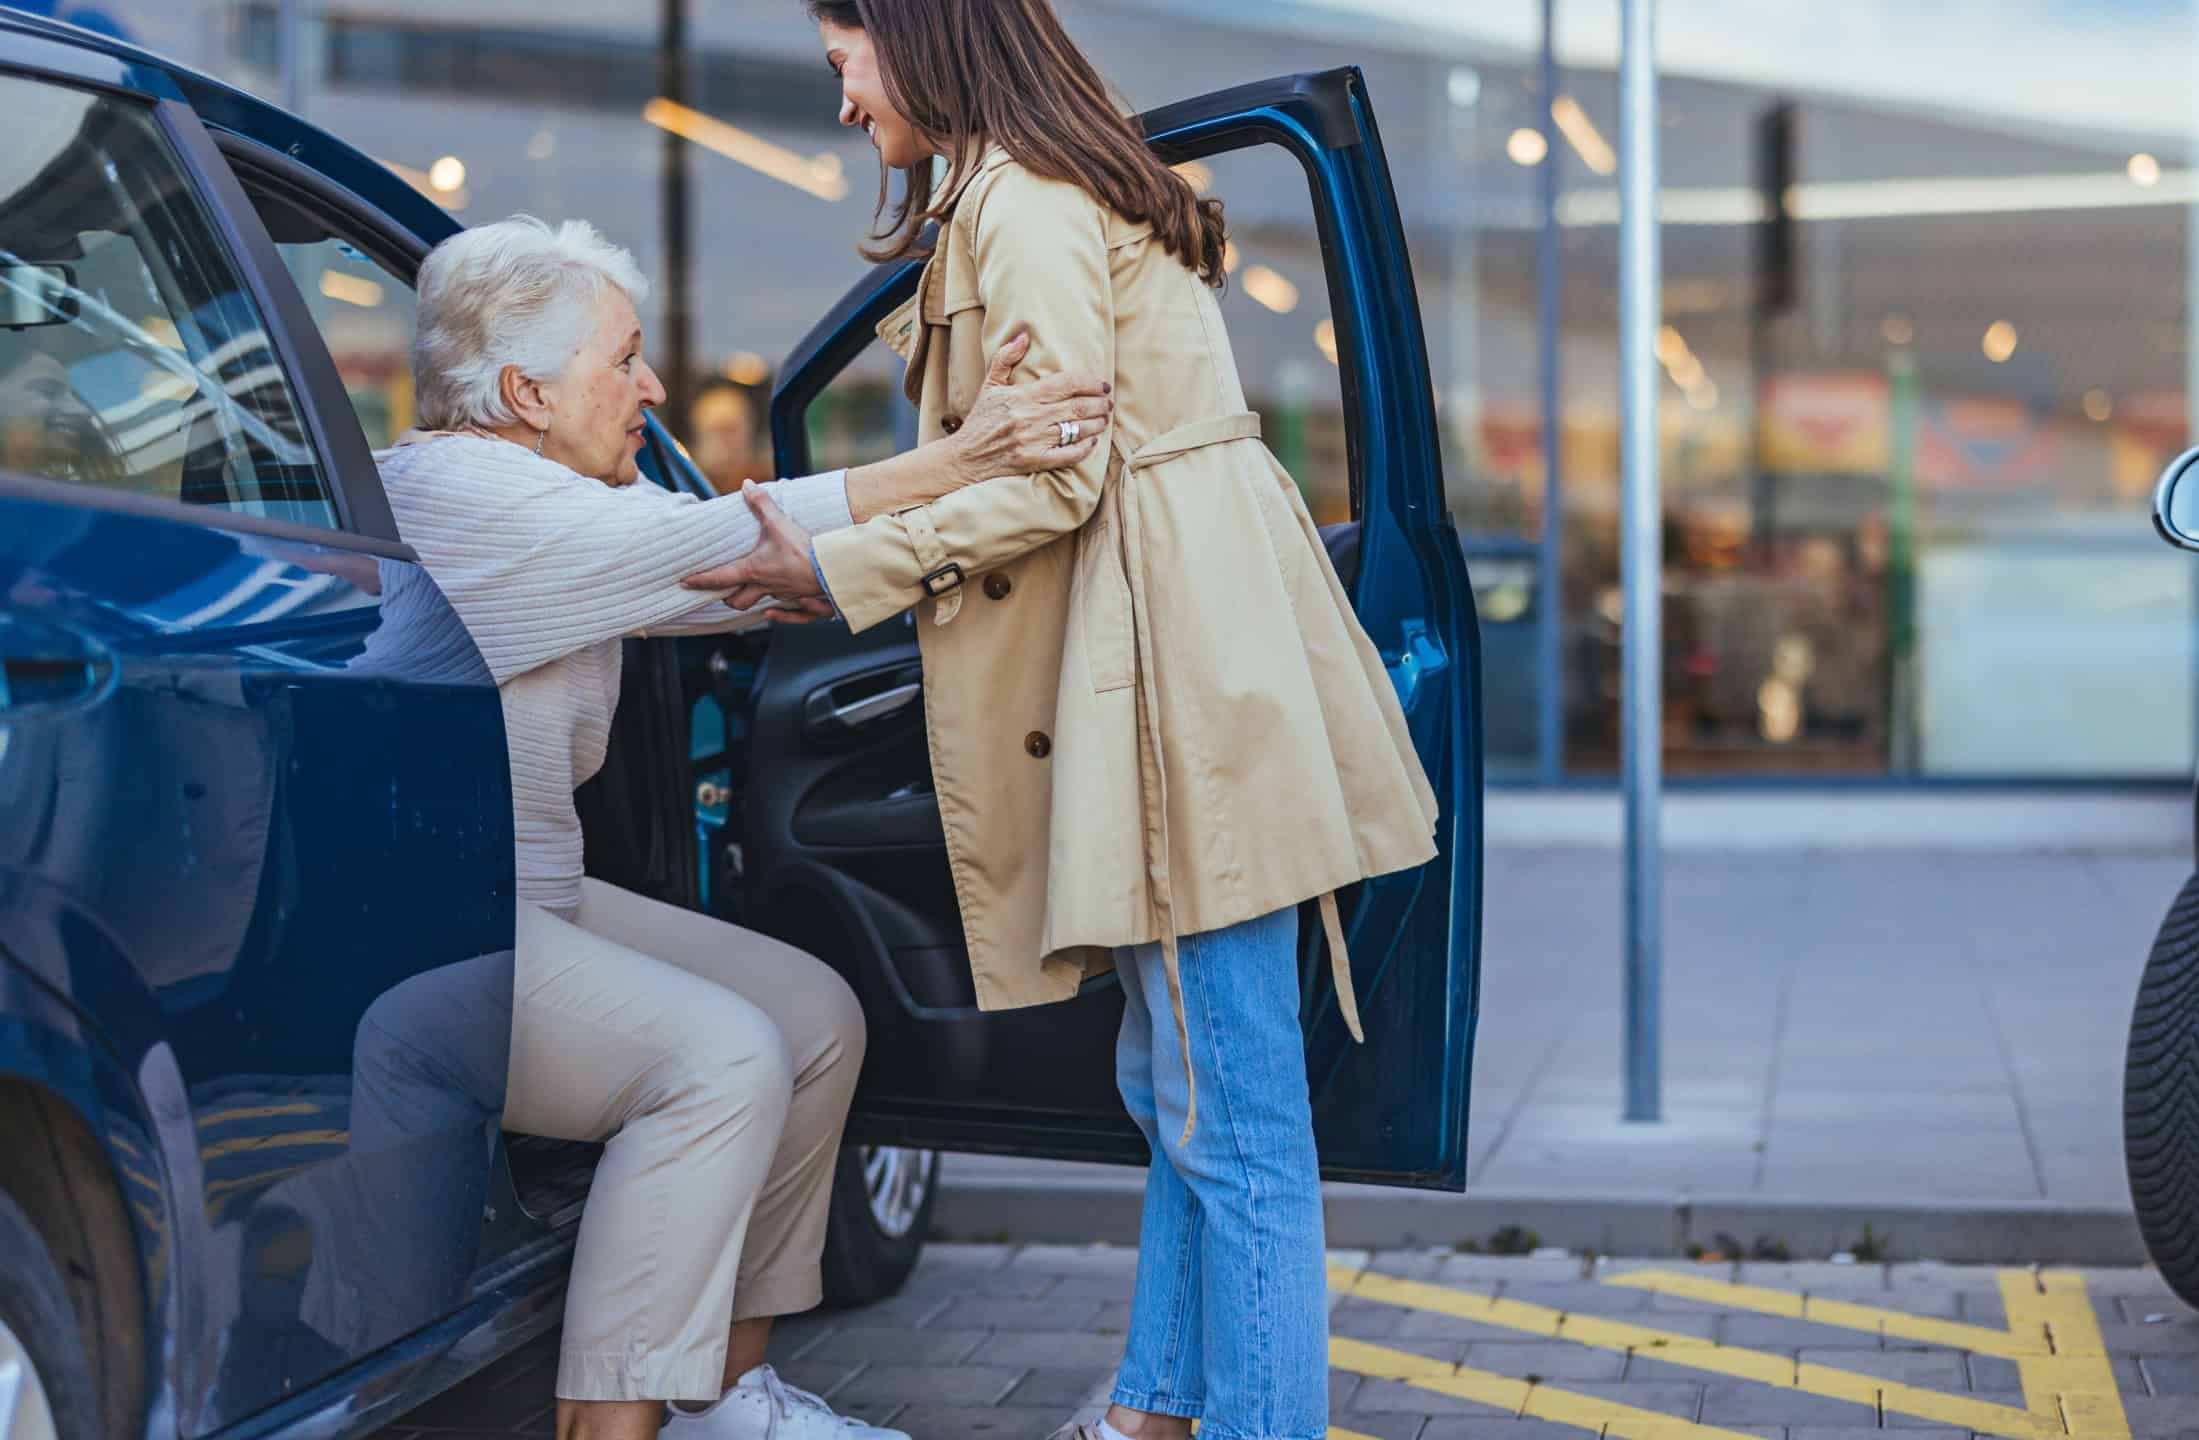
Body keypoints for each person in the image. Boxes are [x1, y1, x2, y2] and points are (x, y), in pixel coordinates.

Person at [682, 7, 1440, 1438]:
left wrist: (830, 569)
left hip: (1176, 687)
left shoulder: (1022, 202)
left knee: (1236, 1124)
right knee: (1187, 1089)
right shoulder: (1036, 186)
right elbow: (1018, 460)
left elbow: (1054, 485)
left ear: (915, 39)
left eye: (844, 57)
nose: (844, 104)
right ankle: (1155, 1410)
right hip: (1186, 670)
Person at [380, 214, 1112, 1440]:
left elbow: (725, 581)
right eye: (622, 361)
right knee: (718, 1056)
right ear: (522, 391)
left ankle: (725, 1398)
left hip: (531, 895)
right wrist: (964, 459)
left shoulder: (550, 498)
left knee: (812, 1015)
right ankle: (608, 1420)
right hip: (433, 935)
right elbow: (713, 541)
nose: (653, 387)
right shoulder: (457, 492)